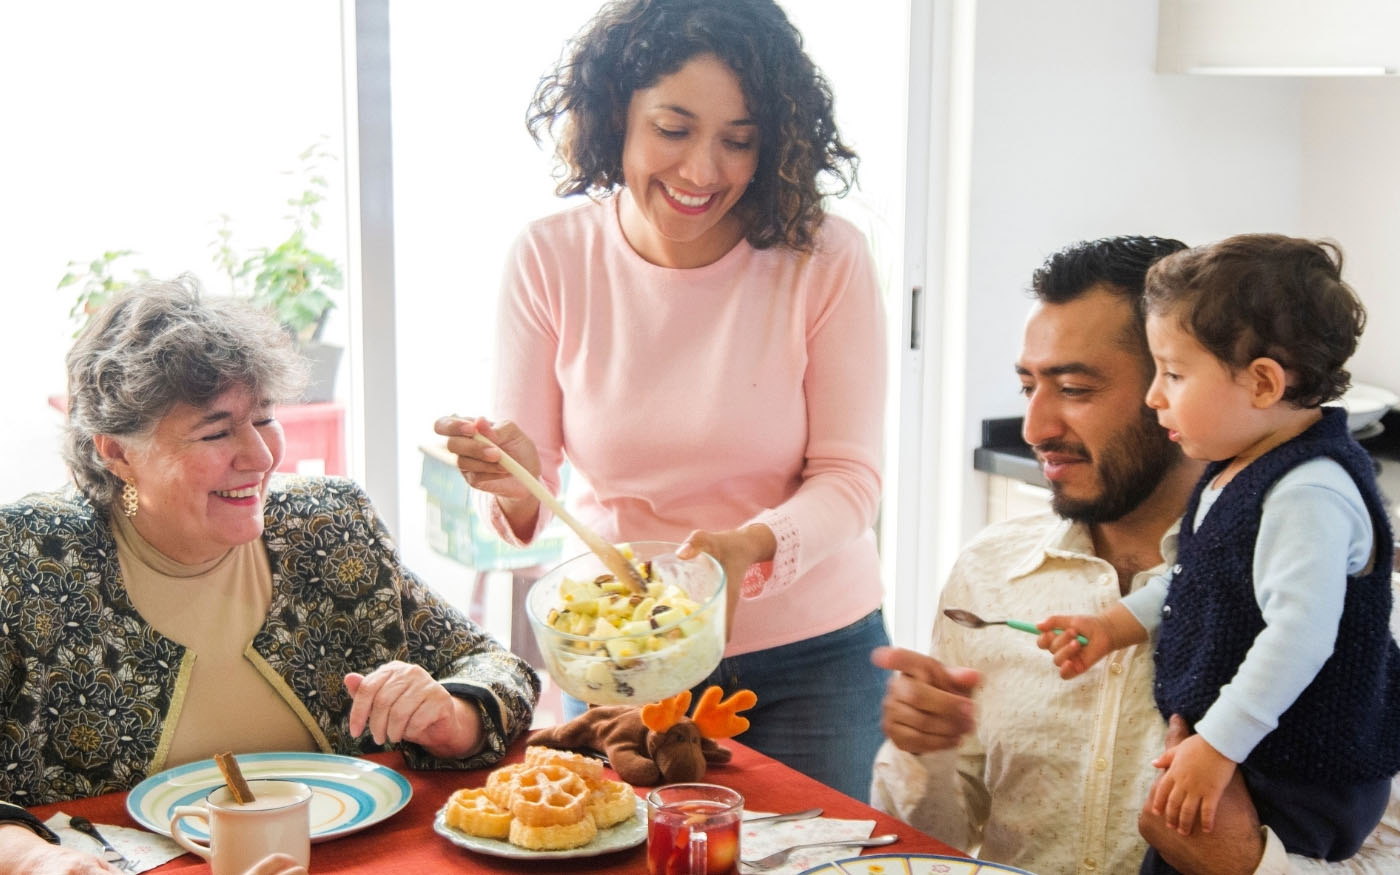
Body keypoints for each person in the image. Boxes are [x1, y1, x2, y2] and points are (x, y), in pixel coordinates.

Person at [435, 0, 890, 801]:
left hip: (813, 655)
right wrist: (510, 484)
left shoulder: (824, 258)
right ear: (617, 115)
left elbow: (852, 480)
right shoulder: (551, 257)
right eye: (674, 130)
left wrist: (749, 545)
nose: (703, 171)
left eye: (737, 140)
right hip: (627, 658)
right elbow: (530, 484)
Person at [869, 236, 1400, 874]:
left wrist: (1250, 866)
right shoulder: (987, 576)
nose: (1035, 429)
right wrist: (926, 751)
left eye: (1075, 388)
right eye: (1028, 386)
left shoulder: (1332, 576)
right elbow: (927, 846)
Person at [0, 278, 539, 874]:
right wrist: (33, 862)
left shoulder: (328, 526)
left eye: (264, 418)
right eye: (216, 431)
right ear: (118, 453)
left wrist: (451, 718)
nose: (260, 457)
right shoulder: (29, 558)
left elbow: (501, 669)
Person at [1039, 235, 1400, 872]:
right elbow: (1196, 581)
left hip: (1306, 771)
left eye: (1173, 374)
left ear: (1262, 383)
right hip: (1256, 756)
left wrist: (1218, 744)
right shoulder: (1236, 468)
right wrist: (1112, 627)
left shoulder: (1309, 491)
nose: (1155, 396)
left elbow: (1299, 636)